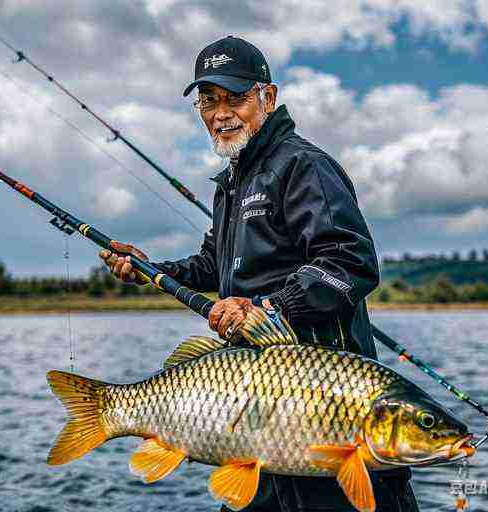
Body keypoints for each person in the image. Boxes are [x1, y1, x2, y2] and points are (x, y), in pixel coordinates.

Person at [99, 36, 420, 512]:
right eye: (209, 101)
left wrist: (270, 308)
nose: (220, 113)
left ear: (267, 98)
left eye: (235, 98)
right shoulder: (233, 180)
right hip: (256, 409)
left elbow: (350, 262)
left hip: (328, 406)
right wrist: (151, 269)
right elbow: (215, 265)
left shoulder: (303, 165)